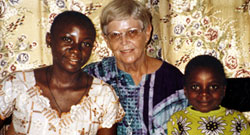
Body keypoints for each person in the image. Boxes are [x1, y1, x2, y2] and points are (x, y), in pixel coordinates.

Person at [0, 10, 124, 135]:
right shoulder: (17, 84)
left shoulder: (103, 96)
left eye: (85, 43)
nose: (76, 50)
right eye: (67, 39)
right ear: (49, 39)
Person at [82, 0, 188, 134]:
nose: (124, 41)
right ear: (107, 41)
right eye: (115, 35)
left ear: (147, 32)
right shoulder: (93, 77)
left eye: (132, 32)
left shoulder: (172, 81)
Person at [167, 55, 250, 134]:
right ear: (185, 91)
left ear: (223, 90)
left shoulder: (237, 119)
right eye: (195, 87)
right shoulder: (178, 121)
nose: (204, 93)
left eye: (213, 86)